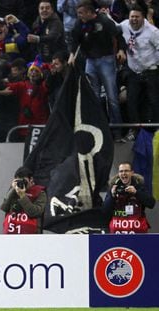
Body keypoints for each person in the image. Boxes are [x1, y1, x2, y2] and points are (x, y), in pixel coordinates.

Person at [68, 0, 126, 141]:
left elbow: (118, 35)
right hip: (90, 61)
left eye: (81, 13)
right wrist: (71, 54)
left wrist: (121, 50)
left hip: (106, 59)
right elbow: (74, 39)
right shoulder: (79, 24)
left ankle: (117, 131)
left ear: (89, 12)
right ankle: (99, 129)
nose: (79, 16)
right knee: (93, 97)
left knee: (112, 97)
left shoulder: (104, 21)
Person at [118, 4, 159, 140]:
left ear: (143, 18)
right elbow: (112, 28)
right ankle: (134, 131)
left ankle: (156, 130)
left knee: (154, 101)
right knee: (131, 101)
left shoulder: (152, 32)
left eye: (137, 17)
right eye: (132, 16)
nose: (134, 19)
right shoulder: (124, 26)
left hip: (150, 71)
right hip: (133, 71)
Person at [102, 162, 156, 234]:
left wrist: (136, 192)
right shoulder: (113, 188)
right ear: (118, 174)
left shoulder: (139, 186)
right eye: (121, 171)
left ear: (132, 173)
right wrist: (112, 196)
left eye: (126, 171)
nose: (123, 173)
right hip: (117, 233)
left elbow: (151, 203)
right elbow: (105, 210)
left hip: (138, 233)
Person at [0, 166, 47, 234]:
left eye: (24, 181)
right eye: (19, 181)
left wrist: (22, 196)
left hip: (31, 235)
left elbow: (35, 213)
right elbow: (4, 207)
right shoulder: (14, 190)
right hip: (10, 232)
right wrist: (13, 189)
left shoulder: (40, 193)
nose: (22, 183)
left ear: (31, 179)